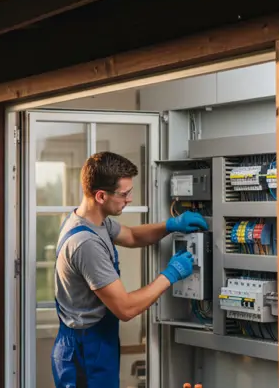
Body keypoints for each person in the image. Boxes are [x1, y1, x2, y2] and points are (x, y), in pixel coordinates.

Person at [51, 151, 207, 387]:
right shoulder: (86, 244)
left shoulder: (94, 221)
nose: (130, 199)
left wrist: (170, 224)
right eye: (124, 194)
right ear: (101, 195)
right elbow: (125, 308)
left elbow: (132, 236)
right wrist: (171, 274)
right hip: (84, 352)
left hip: (96, 343)